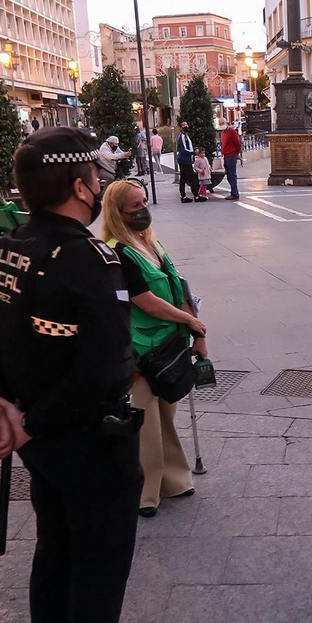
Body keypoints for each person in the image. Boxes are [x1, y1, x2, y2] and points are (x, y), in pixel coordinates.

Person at [0, 126, 171, 623]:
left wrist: (0, 406)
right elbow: (104, 369)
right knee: (96, 573)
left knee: (54, 559)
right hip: (86, 442)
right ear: (81, 186)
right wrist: (26, 421)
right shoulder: (92, 258)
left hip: (43, 449)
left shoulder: (4, 250)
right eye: (95, 175)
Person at [100, 180, 204, 517]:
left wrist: (194, 324)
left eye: (144, 202)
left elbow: (178, 285)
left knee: (166, 415)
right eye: (135, 206)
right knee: (145, 423)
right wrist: (189, 323)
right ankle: (145, 493)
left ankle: (174, 480)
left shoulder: (152, 243)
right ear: (118, 213)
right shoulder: (117, 252)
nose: (143, 209)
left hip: (167, 344)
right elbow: (146, 301)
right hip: (139, 350)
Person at [175, 124, 197, 204]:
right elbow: (183, 149)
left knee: (183, 178)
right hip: (185, 161)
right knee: (191, 178)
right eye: (184, 125)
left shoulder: (184, 136)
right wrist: (193, 153)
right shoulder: (183, 137)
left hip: (185, 160)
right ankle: (196, 195)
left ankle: (183, 196)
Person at [220, 124, 242, 201]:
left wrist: (236, 153)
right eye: (220, 123)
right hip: (226, 156)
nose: (221, 124)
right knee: (229, 175)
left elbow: (237, 143)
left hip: (231, 156)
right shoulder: (224, 133)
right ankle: (235, 192)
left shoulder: (231, 131)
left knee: (232, 175)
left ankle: (234, 193)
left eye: (222, 122)